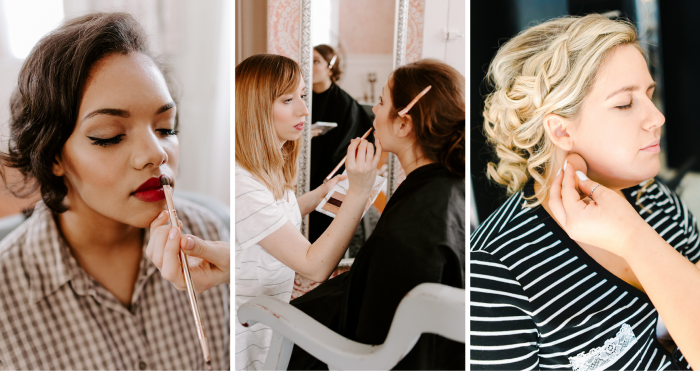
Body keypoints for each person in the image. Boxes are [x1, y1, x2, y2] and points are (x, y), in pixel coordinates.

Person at [0, 13, 231, 370]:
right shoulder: (6, 297)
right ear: (54, 156)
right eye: (109, 135)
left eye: (165, 128)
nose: (156, 153)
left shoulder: (211, 234)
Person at [470, 14, 696, 370]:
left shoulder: (656, 200)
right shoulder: (496, 267)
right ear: (560, 131)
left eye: (650, 95)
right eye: (625, 104)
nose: (657, 117)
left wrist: (632, 236)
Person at [287, 59, 467, 371]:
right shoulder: (451, 186)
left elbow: (371, 341)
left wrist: (358, 190)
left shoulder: (409, 234)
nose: (373, 111)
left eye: (382, 102)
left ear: (403, 123)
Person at [233, 54, 381, 371]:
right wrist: (357, 193)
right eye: (289, 99)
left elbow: (273, 223)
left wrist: (319, 195)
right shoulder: (242, 187)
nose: (304, 109)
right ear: (255, 109)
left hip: (270, 320)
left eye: (302, 95)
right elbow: (315, 267)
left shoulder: (265, 171)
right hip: (246, 333)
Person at [308, 45, 375, 244]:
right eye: (308, 60)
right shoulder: (302, 100)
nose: (310, 66)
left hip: (329, 175)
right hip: (305, 172)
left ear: (330, 68)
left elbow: (357, 141)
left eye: (316, 61)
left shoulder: (346, 104)